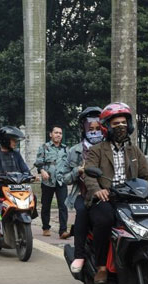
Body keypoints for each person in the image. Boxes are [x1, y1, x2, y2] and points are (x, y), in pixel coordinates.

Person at [85, 102, 148, 284]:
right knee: (105, 220)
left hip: (130, 198)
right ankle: (101, 267)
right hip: (106, 198)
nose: (121, 126)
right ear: (107, 126)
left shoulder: (134, 150)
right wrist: (97, 190)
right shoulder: (96, 150)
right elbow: (89, 174)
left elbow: (147, 175)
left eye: (124, 123)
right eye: (116, 124)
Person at [63, 107, 103, 273]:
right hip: (83, 194)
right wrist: (77, 171)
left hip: (108, 194)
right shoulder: (75, 151)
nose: (94, 133)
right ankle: (79, 255)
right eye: (90, 129)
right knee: (82, 215)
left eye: (98, 129)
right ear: (84, 129)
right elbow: (63, 178)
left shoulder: (108, 148)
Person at [0, 126, 33, 239]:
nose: (15, 143)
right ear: (5, 139)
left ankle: (24, 221)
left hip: (16, 187)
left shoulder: (16, 154)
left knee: (32, 197)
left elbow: (24, 169)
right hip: (0, 187)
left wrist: (31, 176)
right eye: (13, 140)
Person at [34, 126, 70, 239]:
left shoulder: (66, 149)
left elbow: (69, 164)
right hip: (47, 181)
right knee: (46, 205)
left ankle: (63, 231)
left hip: (61, 181)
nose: (58, 135)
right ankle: (46, 228)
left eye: (60, 133)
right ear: (51, 134)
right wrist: (42, 171)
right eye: (56, 133)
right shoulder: (44, 147)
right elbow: (39, 163)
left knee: (63, 206)